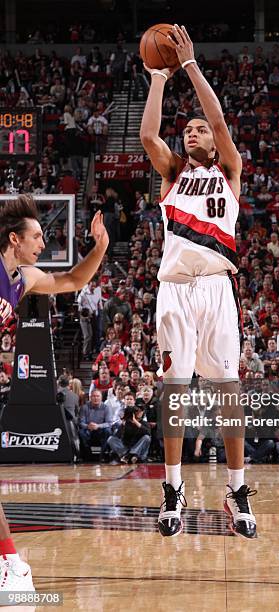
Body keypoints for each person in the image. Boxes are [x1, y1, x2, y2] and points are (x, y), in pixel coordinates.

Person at [140, 24, 257, 538]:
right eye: (186, 130)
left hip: (216, 290)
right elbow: (147, 135)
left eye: (199, 129)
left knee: (229, 391)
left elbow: (220, 120)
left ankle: (237, 491)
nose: (193, 131)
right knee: (174, 392)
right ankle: (173, 489)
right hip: (175, 292)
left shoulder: (229, 168)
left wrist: (189, 66)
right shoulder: (172, 173)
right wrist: (157, 78)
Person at [0, 195, 108, 591]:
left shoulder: (23, 279)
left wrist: (101, 248)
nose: (43, 244)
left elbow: (73, 281)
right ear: (14, 239)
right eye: (37, 237)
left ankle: (10, 563)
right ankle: (9, 563)